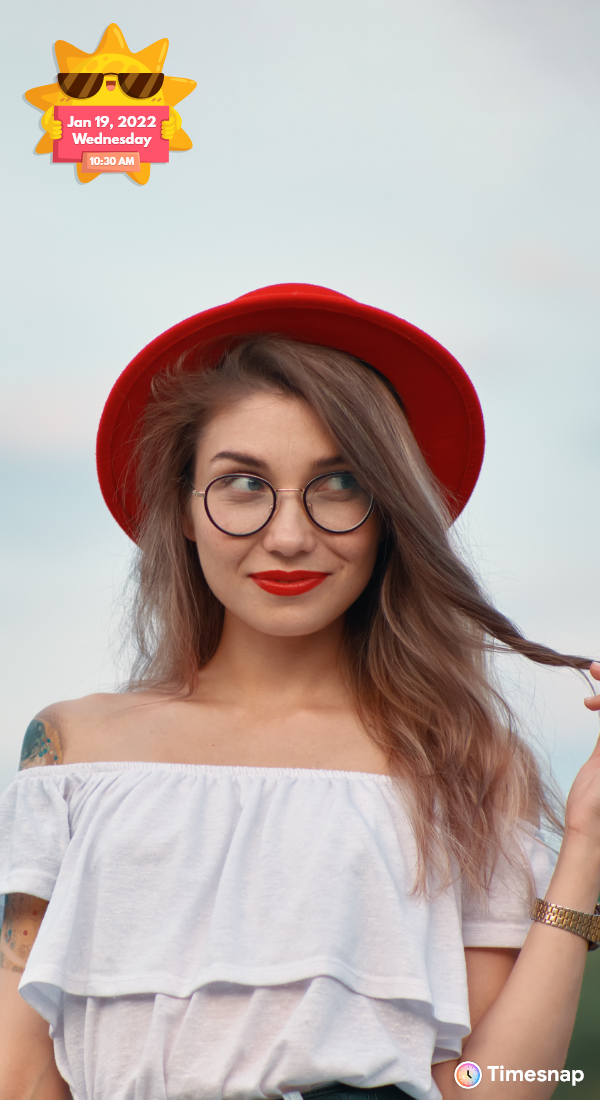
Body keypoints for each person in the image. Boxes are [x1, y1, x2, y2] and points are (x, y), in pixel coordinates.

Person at [0, 284, 599, 1100]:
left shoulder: (461, 761)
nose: (288, 535)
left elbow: (501, 1087)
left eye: (340, 483)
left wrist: (585, 847)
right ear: (181, 508)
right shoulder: (72, 752)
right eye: (242, 484)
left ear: (388, 513)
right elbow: (23, 1077)